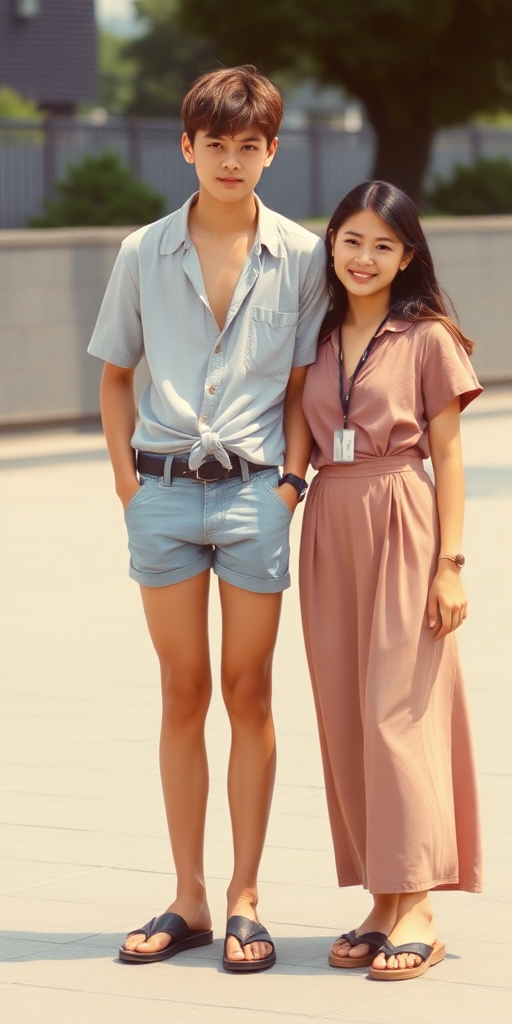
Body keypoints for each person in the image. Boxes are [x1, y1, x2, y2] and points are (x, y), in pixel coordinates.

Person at [88, 65, 327, 972]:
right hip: (161, 493)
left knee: (249, 694)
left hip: (254, 495)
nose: (232, 160)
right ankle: (187, 895)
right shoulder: (140, 251)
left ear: (271, 150)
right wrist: (126, 484)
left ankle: (244, 898)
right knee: (182, 692)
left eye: (250, 145)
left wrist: (291, 484)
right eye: (215, 144)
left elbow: (304, 386)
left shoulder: (303, 256)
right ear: (187, 147)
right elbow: (116, 374)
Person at [299, 180, 483, 981]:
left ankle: (419, 903)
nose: (364, 258)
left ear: (407, 255)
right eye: (351, 240)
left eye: (383, 245)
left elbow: (448, 456)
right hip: (328, 528)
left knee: (396, 713)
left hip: (403, 519)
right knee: (346, 716)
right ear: (330, 243)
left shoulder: (427, 337)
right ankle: (381, 897)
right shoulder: (314, 334)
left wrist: (451, 565)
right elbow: (293, 443)